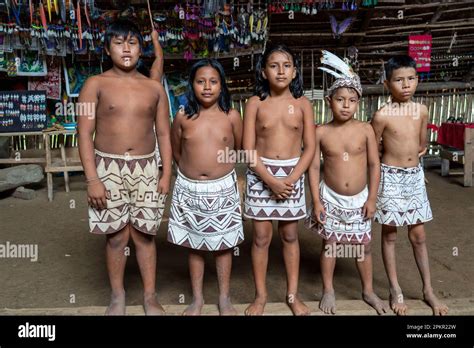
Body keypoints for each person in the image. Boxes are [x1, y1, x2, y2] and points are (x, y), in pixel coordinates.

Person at [77, 19, 172, 315]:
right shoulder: (93, 85)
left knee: (144, 236)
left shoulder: (154, 88)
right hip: (107, 169)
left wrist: (166, 172)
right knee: (116, 236)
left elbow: (165, 133)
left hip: (146, 168)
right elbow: (82, 133)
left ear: (141, 49)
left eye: (132, 42)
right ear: (107, 49)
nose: (126, 48)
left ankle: (149, 296)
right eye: (119, 43)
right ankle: (117, 295)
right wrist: (92, 179)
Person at [305, 50, 387, 315]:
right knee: (330, 244)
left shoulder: (365, 130)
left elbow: (375, 165)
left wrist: (373, 198)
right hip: (330, 197)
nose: (345, 105)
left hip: (361, 198)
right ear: (329, 101)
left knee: (363, 245)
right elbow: (314, 166)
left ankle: (368, 290)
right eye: (340, 99)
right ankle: (328, 289)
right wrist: (316, 201)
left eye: (352, 100)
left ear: (359, 103)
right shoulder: (321, 132)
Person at [371, 55, 448, 315]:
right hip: (389, 177)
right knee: (390, 234)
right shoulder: (382, 116)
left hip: (414, 177)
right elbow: (374, 149)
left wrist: (414, 162)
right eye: (399, 80)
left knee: (419, 236)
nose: (406, 85)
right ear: (387, 84)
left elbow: (421, 144)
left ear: (418, 80)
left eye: (411, 79)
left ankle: (428, 290)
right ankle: (395, 289)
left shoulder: (422, 111)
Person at [242, 43, 316, 315]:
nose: (280, 71)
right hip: (260, 174)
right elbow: (248, 151)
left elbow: (310, 148)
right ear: (263, 72)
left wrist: (293, 177)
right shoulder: (255, 104)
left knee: (289, 235)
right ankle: (260, 296)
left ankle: (292, 295)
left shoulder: (302, 104)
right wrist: (270, 180)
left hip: (292, 175)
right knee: (261, 237)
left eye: (286, 65)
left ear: (295, 72)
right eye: (274, 65)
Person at [168, 59, 244, 315]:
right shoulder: (182, 116)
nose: (207, 87)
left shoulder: (232, 116)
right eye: (201, 82)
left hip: (222, 188)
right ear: (192, 85)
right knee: (195, 244)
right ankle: (197, 299)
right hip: (190, 189)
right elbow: (177, 152)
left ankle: (224, 297)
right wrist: (192, 173)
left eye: (213, 82)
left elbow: (240, 150)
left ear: (222, 86)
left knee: (223, 245)